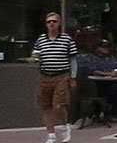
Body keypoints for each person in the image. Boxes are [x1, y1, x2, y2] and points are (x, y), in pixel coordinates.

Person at [33, 12, 78, 143]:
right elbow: (36, 56)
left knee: (59, 105)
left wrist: (73, 77)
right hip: (45, 76)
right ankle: (51, 134)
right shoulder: (41, 39)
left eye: (54, 21)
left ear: (59, 24)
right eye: (49, 22)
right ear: (46, 24)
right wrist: (35, 59)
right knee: (46, 106)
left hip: (61, 76)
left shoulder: (67, 39)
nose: (51, 24)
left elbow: (73, 60)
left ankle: (64, 127)